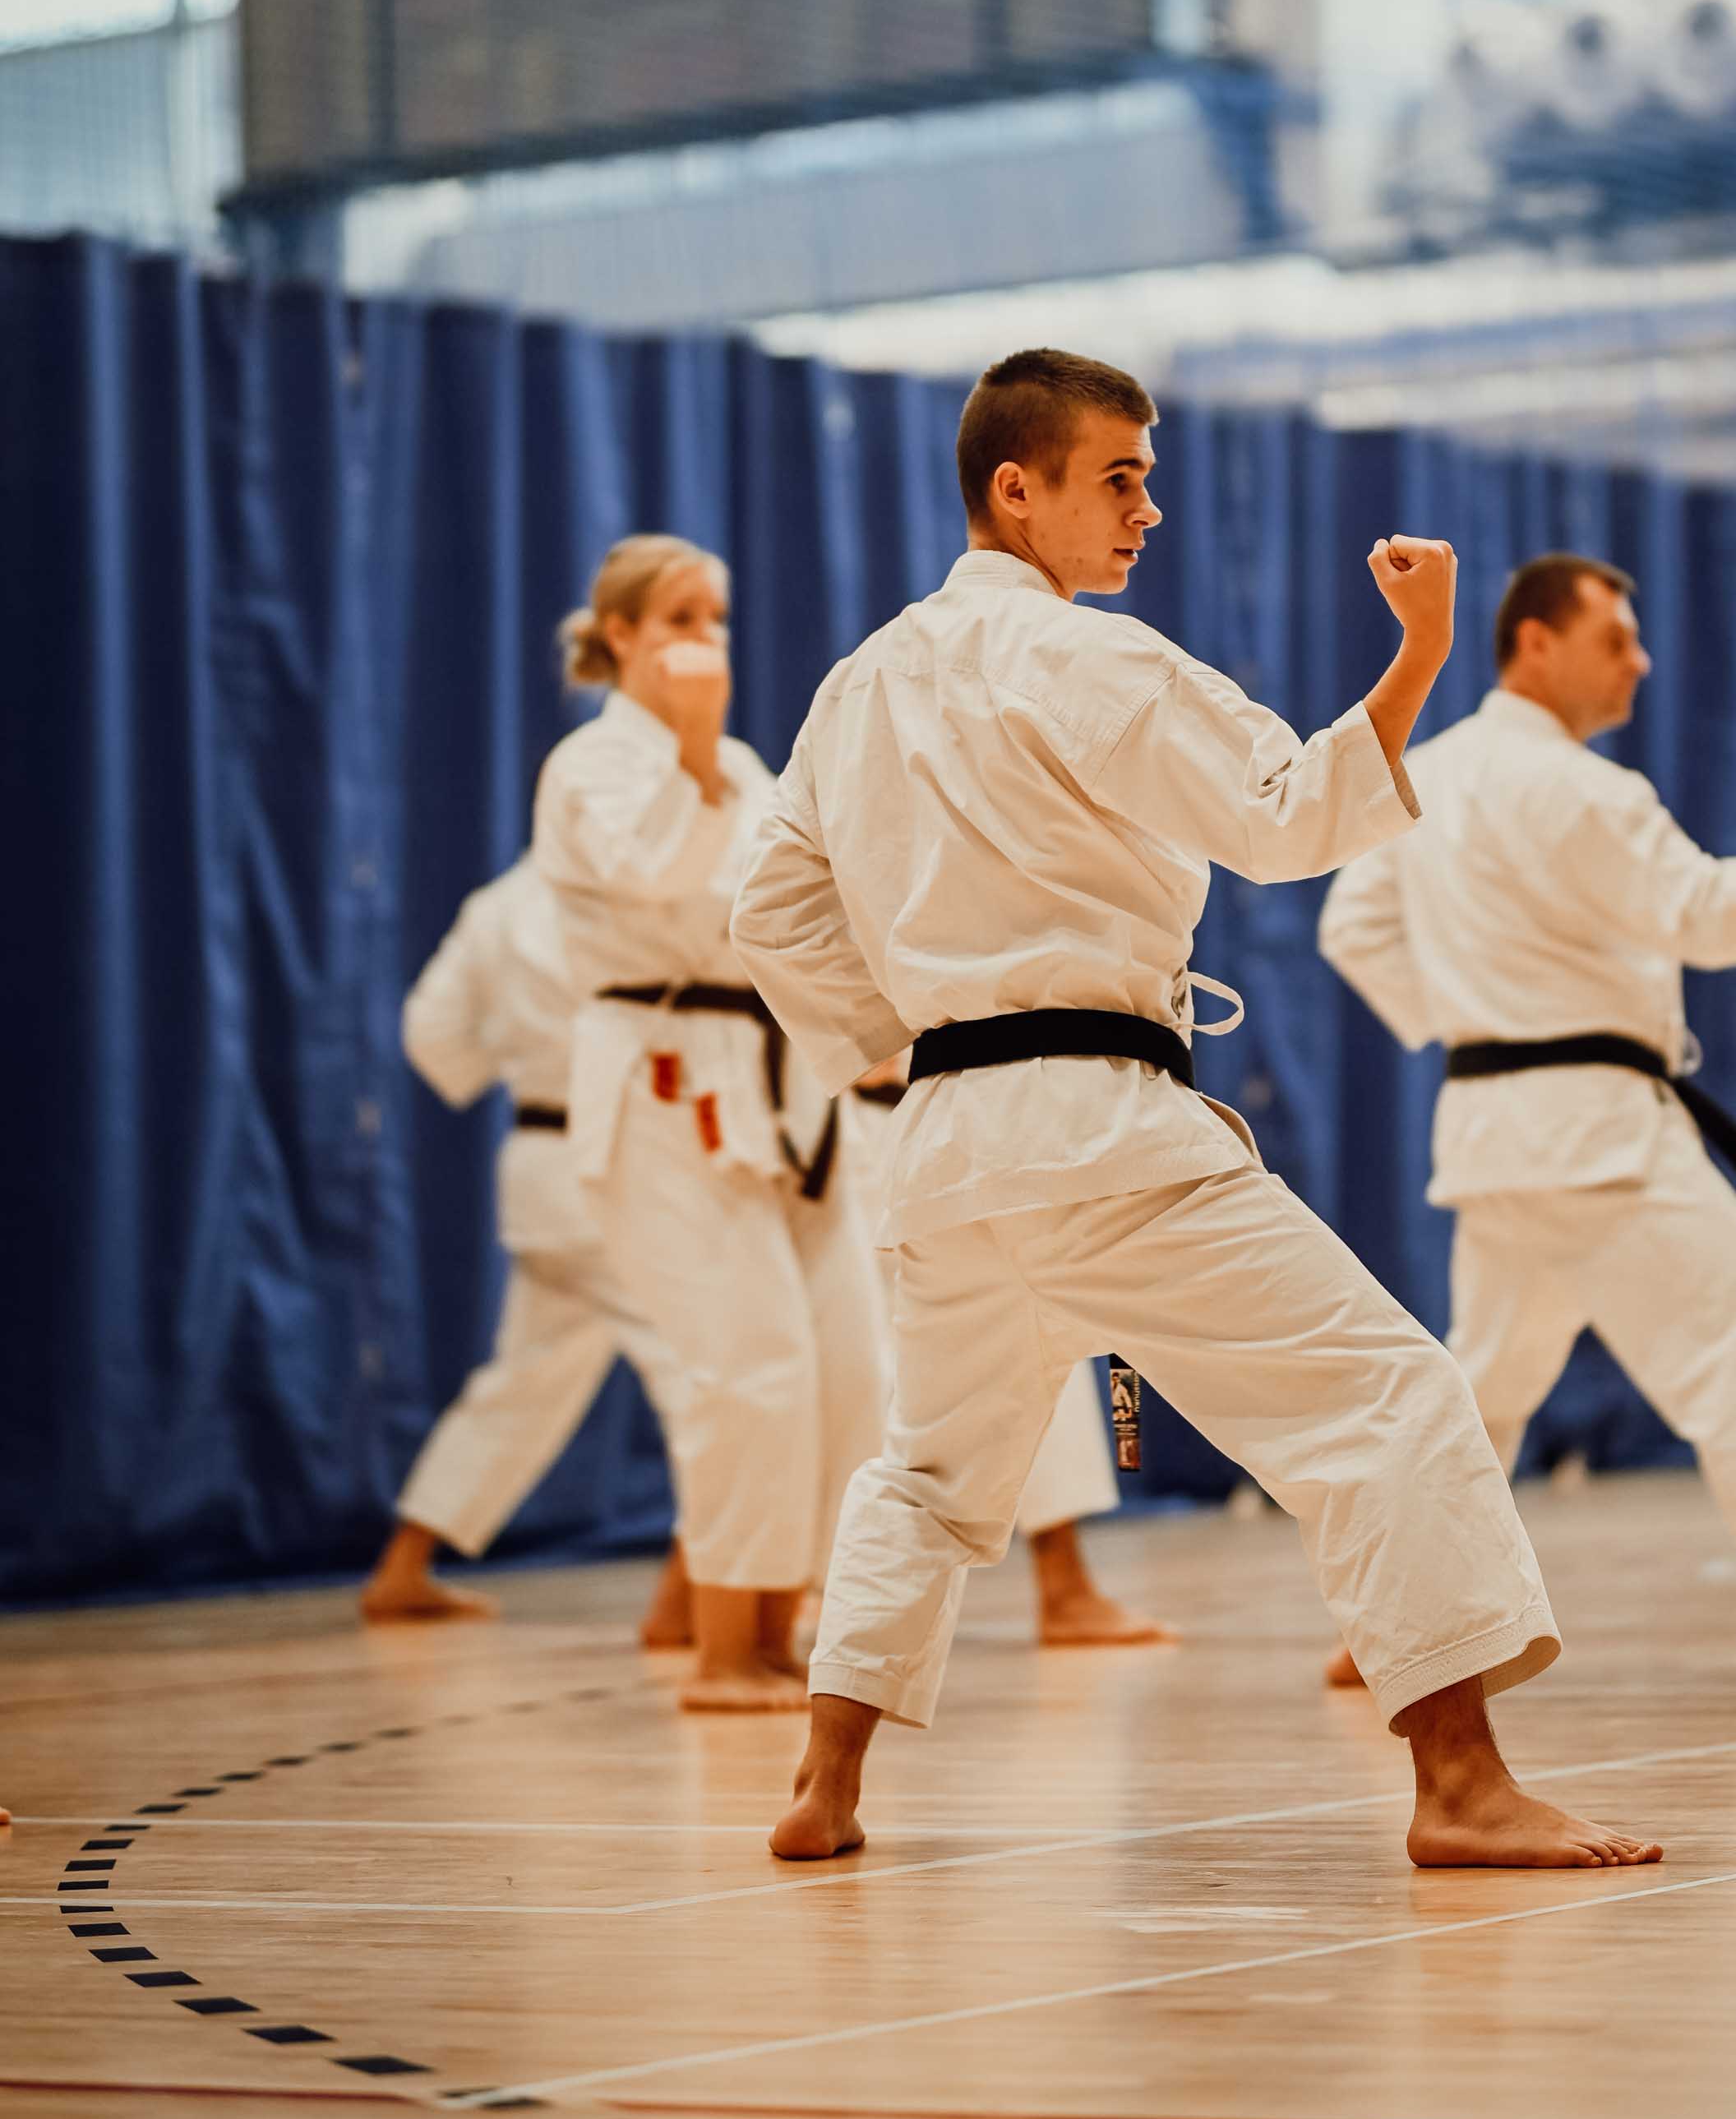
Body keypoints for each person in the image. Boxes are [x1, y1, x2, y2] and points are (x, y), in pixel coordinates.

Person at [734, 349, 1661, 1873]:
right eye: (1120, 478)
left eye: (1149, 478)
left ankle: (825, 1784)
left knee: (931, 1468)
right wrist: (1418, 652)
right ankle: (1461, 1787)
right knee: (1390, 1397)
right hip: (1101, 1128)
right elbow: (1293, 816)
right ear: (1014, 491)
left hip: (947, 1139)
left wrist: (883, 1041)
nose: (1147, 510)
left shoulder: (858, 686)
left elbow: (770, 911)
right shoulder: (1087, 659)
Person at [1318, 552, 1736, 1695]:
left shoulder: (1427, 775)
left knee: (1482, 1390)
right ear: (1535, 645)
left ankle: (1388, 1623)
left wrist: (1477, 1016)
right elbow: (1706, 916)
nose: (1640, 660)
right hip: (1598, 1133)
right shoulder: (1589, 792)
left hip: (1492, 1130)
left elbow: (1353, 926)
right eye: (1615, 640)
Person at [533, 535, 889, 1712]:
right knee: (751, 1370)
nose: (706, 638)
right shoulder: (591, 767)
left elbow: (786, 907)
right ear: (620, 634)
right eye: (680, 615)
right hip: (656, 1078)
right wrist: (690, 747)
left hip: (775, 1082)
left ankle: (781, 1633)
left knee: (843, 1370)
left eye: (719, 616)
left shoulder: (737, 762)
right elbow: (657, 882)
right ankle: (722, 1650)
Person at [359, 852, 688, 1637]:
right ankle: (700, 1601)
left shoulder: (497, 903)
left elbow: (430, 1029)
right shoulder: (642, 887)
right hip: (624, 1161)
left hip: (539, 1161)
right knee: (713, 1373)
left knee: (524, 1382)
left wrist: (506, 1066)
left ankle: (403, 1567)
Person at [843, 1078, 1175, 1648]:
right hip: (858, 1127)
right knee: (835, 1365)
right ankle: (734, 1602)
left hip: (978, 1117)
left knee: (1038, 1332)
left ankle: (1063, 1584)